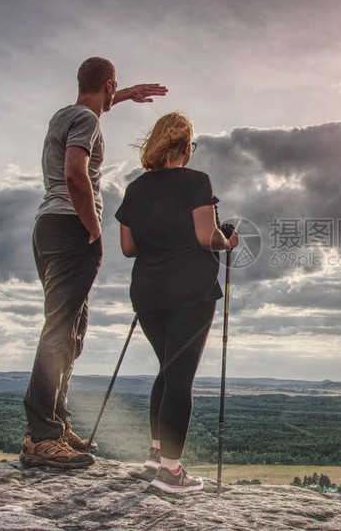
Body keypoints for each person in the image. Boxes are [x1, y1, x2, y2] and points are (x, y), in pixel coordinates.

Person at [21, 57, 168, 469]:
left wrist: (123, 95)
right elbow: (75, 171)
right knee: (60, 330)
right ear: (107, 83)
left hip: (50, 226)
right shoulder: (87, 121)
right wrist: (93, 228)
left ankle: (55, 422)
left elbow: (95, 106)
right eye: (113, 89)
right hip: (71, 226)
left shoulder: (66, 114)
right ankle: (41, 435)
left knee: (71, 331)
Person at [115, 112, 238, 493]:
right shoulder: (196, 182)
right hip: (191, 292)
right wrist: (227, 240)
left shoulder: (135, 189)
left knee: (168, 370)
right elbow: (206, 237)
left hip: (148, 293)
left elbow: (128, 247)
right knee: (180, 376)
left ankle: (155, 454)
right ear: (186, 147)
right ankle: (171, 472)